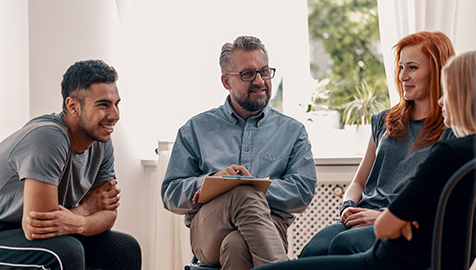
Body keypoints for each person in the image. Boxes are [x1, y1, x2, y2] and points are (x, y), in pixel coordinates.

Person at [254, 50, 476, 270]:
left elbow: (386, 227)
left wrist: (395, 219)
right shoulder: (463, 152)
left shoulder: (448, 151)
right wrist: (396, 217)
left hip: (387, 258)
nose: (440, 101)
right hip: (398, 245)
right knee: (315, 248)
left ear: (464, 95)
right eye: (400, 67)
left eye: (447, 92)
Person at [161, 36, 317, 270]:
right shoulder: (195, 129)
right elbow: (170, 194)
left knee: (236, 246)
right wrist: (212, 182)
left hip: (271, 226)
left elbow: (302, 192)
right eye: (248, 74)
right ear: (226, 81)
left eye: (265, 72)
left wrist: (254, 185)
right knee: (243, 194)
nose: (260, 81)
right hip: (208, 229)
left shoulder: (293, 131)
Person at [300, 31, 455, 257]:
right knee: (313, 250)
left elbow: (441, 202)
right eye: (401, 67)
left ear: (438, 70)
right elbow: (358, 182)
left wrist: (384, 217)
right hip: (361, 215)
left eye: (412, 67)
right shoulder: (385, 120)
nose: (402, 77)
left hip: (401, 223)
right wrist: (347, 206)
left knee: (344, 246)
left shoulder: (452, 131)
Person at [0, 60, 142, 270]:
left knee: (125, 248)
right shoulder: (48, 137)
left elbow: (109, 214)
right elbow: (38, 228)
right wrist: (87, 209)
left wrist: (80, 222)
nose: (115, 115)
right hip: (2, 230)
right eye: (103, 105)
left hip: (27, 229)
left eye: (116, 104)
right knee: (65, 252)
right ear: (72, 106)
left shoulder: (101, 141)